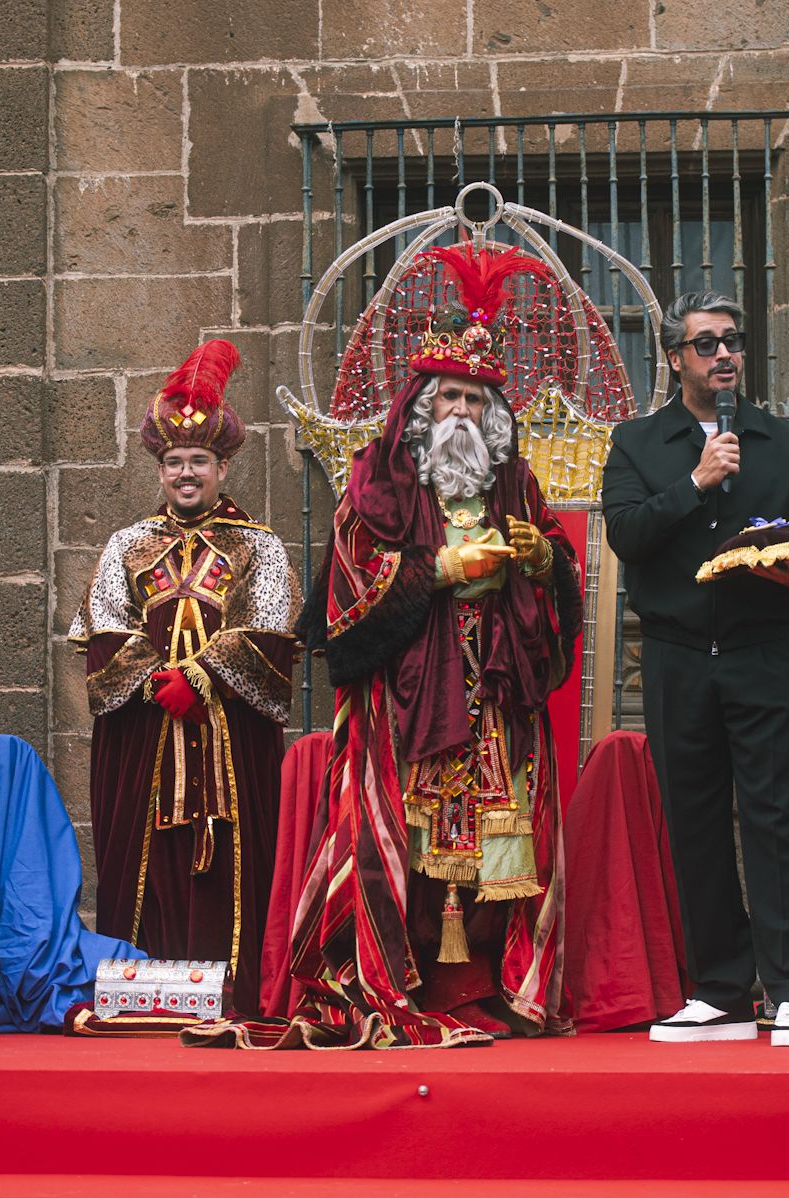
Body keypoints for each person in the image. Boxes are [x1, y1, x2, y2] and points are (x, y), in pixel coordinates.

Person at [192, 242, 581, 1049]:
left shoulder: (517, 484)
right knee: (406, 843)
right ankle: (399, 980)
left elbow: (559, 573)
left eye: (478, 402)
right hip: (405, 704)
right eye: (450, 400)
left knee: (500, 843)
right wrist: (435, 569)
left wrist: (545, 562)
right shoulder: (375, 483)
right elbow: (343, 601)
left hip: (499, 702)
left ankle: (489, 986)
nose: (465, 416)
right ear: (420, 407)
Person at [601, 290, 789, 1047]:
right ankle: (721, 990)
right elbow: (628, 537)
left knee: (780, 818)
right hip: (676, 658)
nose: (725, 354)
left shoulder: (786, 442)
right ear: (675, 358)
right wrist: (695, 483)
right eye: (706, 344)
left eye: (733, 341)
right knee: (695, 825)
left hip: (765, 651)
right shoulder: (637, 443)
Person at [70, 339, 298, 1018]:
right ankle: (142, 994)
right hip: (144, 738)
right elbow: (103, 629)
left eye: (200, 460)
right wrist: (154, 679)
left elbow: (272, 629)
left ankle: (233, 993)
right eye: (175, 462)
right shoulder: (126, 544)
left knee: (231, 861)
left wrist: (202, 677)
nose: (187, 473)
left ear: (223, 465)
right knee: (144, 859)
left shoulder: (260, 545)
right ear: (160, 468)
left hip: (230, 739)